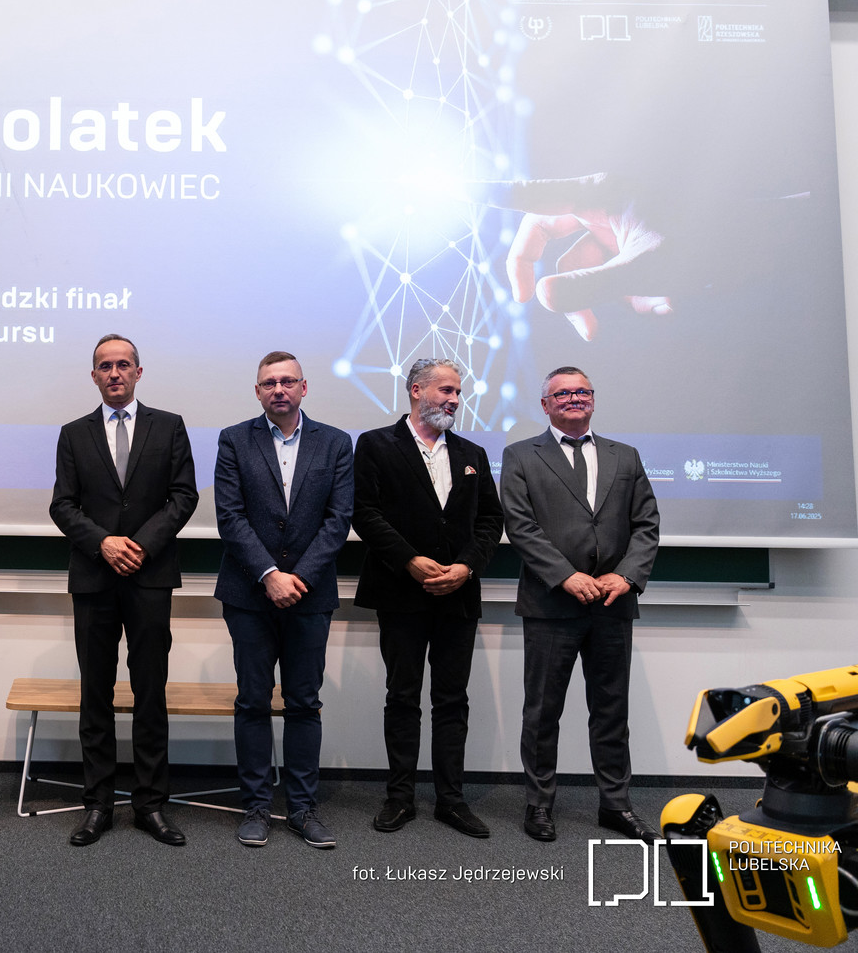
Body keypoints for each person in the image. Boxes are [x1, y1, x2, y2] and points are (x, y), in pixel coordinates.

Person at [501, 365, 660, 842]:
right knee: (542, 712)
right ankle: (539, 805)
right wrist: (565, 576)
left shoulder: (625, 456)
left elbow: (646, 524)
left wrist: (626, 576)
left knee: (612, 711)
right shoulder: (520, 455)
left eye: (582, 391)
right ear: (545, 404)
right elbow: (520, 526)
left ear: (593, 398)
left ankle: (616, 805)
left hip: (612, 604)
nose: (574, 398)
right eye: (562, 393)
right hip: (551, 604)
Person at [51, 334, 198, 847]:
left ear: (139, 371)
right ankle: (97, 804)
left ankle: (151, 804)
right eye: (105, 366)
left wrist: (140, 546)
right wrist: (104, 543)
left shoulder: (169, 426)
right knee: (95, 693)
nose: (114, 373)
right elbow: (62, 505)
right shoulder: (73, 434)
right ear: (93, 375)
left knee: (150, 692)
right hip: (94, 577)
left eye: (123, 365)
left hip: (149, 575)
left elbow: (183, 496)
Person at [353, 358, 503, 839]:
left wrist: (466, 566)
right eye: (446, 390)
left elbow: (490, 520)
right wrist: (409, 560)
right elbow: (365, 512)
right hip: (401, 592)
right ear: (416, 390)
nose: (455, 399)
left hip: (458, 595)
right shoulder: (376, 444)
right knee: (402, 696)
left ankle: (451, 801)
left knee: (452, 699)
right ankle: (399, 797)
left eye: (458, 391)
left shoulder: (472, 452)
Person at [213, 351, 353, 850]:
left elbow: (339, 519)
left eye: (288, 381)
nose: (279, 389)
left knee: (304, 703)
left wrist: (298, 578)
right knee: (252, 701)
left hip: (310, 596)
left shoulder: (335, 442)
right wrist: (270, 575)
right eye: (269, 383)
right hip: (249, 594)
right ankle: (255, 807)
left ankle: (302, 808)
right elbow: (230, 516)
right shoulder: (234, 439)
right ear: (257, 392)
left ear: (304, 387)